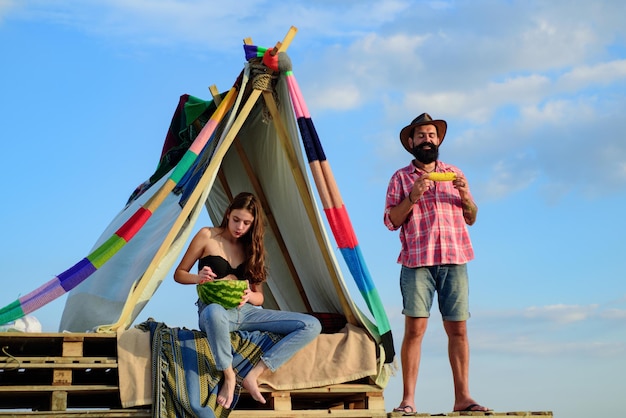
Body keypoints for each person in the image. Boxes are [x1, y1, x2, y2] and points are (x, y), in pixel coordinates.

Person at [174, 192, 322, 409]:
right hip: (214, 312)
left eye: (246, 223)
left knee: (311, 325)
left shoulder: (252, 247)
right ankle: (229, 375)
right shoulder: (207, 235)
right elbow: (179, 273)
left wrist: (249, 295)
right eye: (236, 219)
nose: (239, 226)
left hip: (246, 313)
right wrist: (199, 277)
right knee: (214, 312)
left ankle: (254, 374)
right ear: (228, 214)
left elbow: (259, 296)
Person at [383, 113, 490, 414]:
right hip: (417, 261)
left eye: (431, 135)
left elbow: (471, 217)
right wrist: (413, 197)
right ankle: (408, 401)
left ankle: (463, 398)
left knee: (458, 330)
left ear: (438, 140)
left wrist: (466, 194)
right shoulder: (401, 178)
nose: (427, 140)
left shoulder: (455, 173)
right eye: (421, 136)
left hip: (455, 259)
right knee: (415, 329)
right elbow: (391, 221)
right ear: (411, 142)